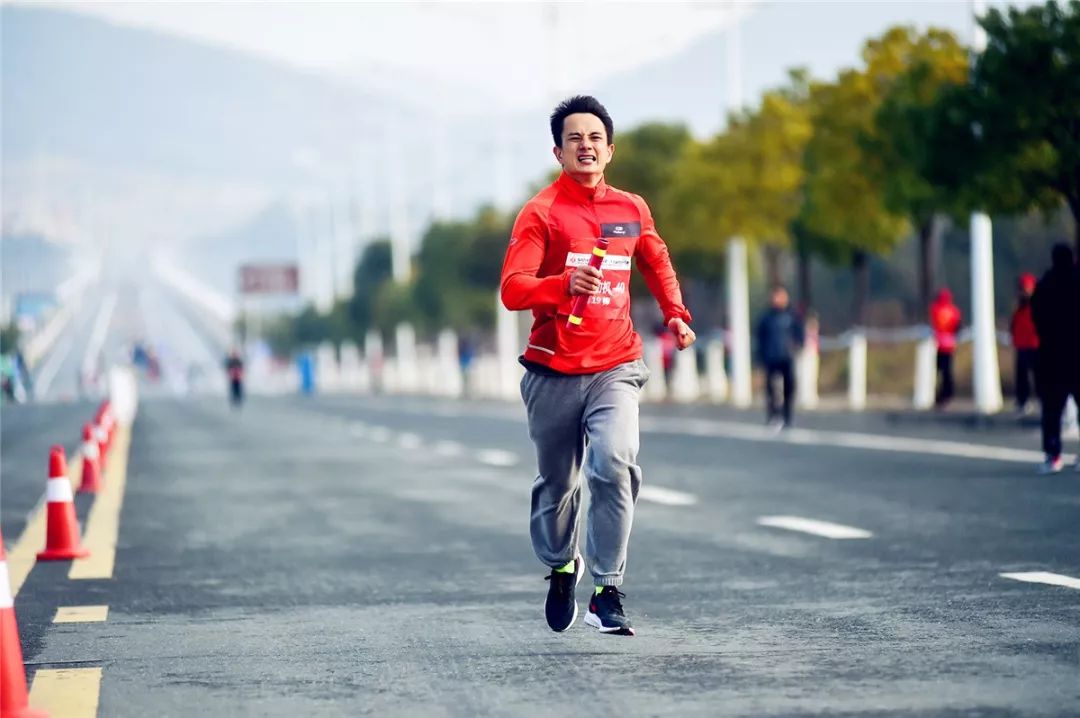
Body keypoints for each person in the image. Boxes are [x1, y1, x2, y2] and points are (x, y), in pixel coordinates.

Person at [500, 95, 695, 636]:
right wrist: (562, 285)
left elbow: (656, 262)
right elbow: (513, 289)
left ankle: (607, 589)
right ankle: (563, 565)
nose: (585, 147)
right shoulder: (540, 213)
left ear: (609, 149)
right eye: (573, 139)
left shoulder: (630, 209)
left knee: (613, 463)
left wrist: (676, 315)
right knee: (558, 484)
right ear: (559, 152)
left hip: (616, 364)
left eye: (594, 138)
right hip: (552, 370)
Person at [1030, 242, 1080, 474]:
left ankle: (1053, 454)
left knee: (1052, 409)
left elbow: (1036, 317)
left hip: (1052, 357)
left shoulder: (1045, 285)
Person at [754, 286, 804, 429]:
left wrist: (798, 346)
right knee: (771, 389)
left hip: (787, 357)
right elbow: (760, 338)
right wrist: (760, 357)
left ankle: (787, 416)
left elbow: (799, 334)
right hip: (771, 357)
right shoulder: (766, 318)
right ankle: (773, 416)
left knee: (789, 388)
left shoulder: (792, 316)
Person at [1010, 272, 1039, 414]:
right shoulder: (1019, 307)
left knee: (1039, 376)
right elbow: (1013, 324)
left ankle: (1042, 401)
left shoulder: (1037, 304)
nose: (1022, 291)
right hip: (1021, 344)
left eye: (1024, 288)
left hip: (1035, 344)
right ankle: (1022, 401)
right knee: (1021, 376)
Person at [929, 288, 961, 408]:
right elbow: (957, 327)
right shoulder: (954, 311)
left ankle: (942, 395)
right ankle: (946, 394)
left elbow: (933, 322)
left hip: (939, 345)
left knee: (940, 371)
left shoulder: (935, 309)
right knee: (947, 372)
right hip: (950, 345)